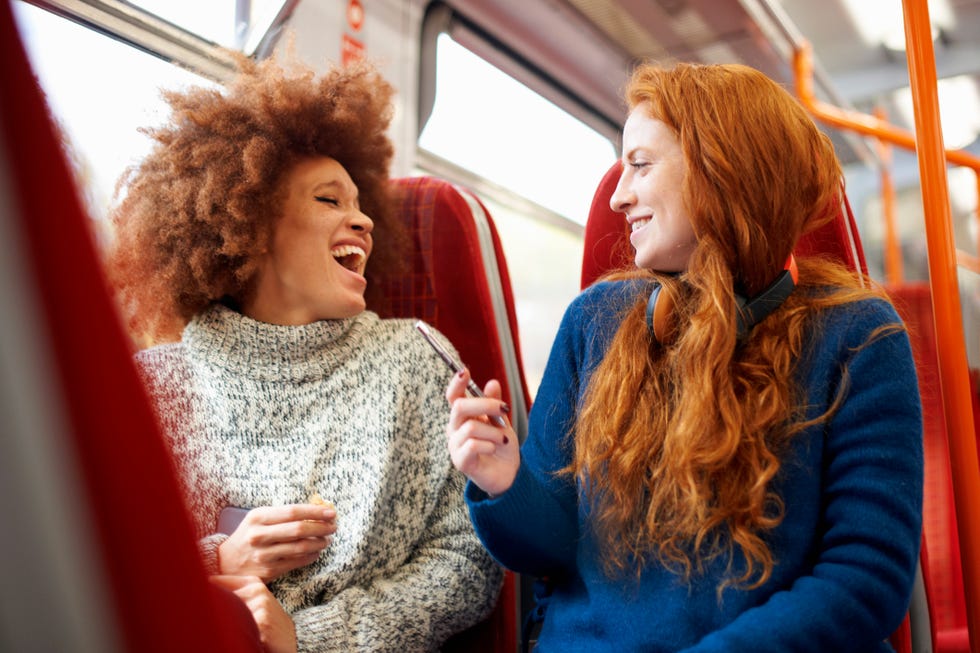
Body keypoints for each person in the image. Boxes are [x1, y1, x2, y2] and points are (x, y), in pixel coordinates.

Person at [446, 62, 923, 652]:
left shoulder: (857, 336)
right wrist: (503, 481)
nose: (618, 197)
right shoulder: (595, 321)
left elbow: (866, 578)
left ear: (724, 168)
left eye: (640, 165)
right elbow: (555, 551)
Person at [105, 53, 502, 653]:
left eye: (359, 203)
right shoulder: (153, 385)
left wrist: (310, 640)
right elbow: (102, 563)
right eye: (329, 201)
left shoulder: (414, 358)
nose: (363, 220)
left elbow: (470, 564)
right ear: (250, 225)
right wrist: (220, 560)